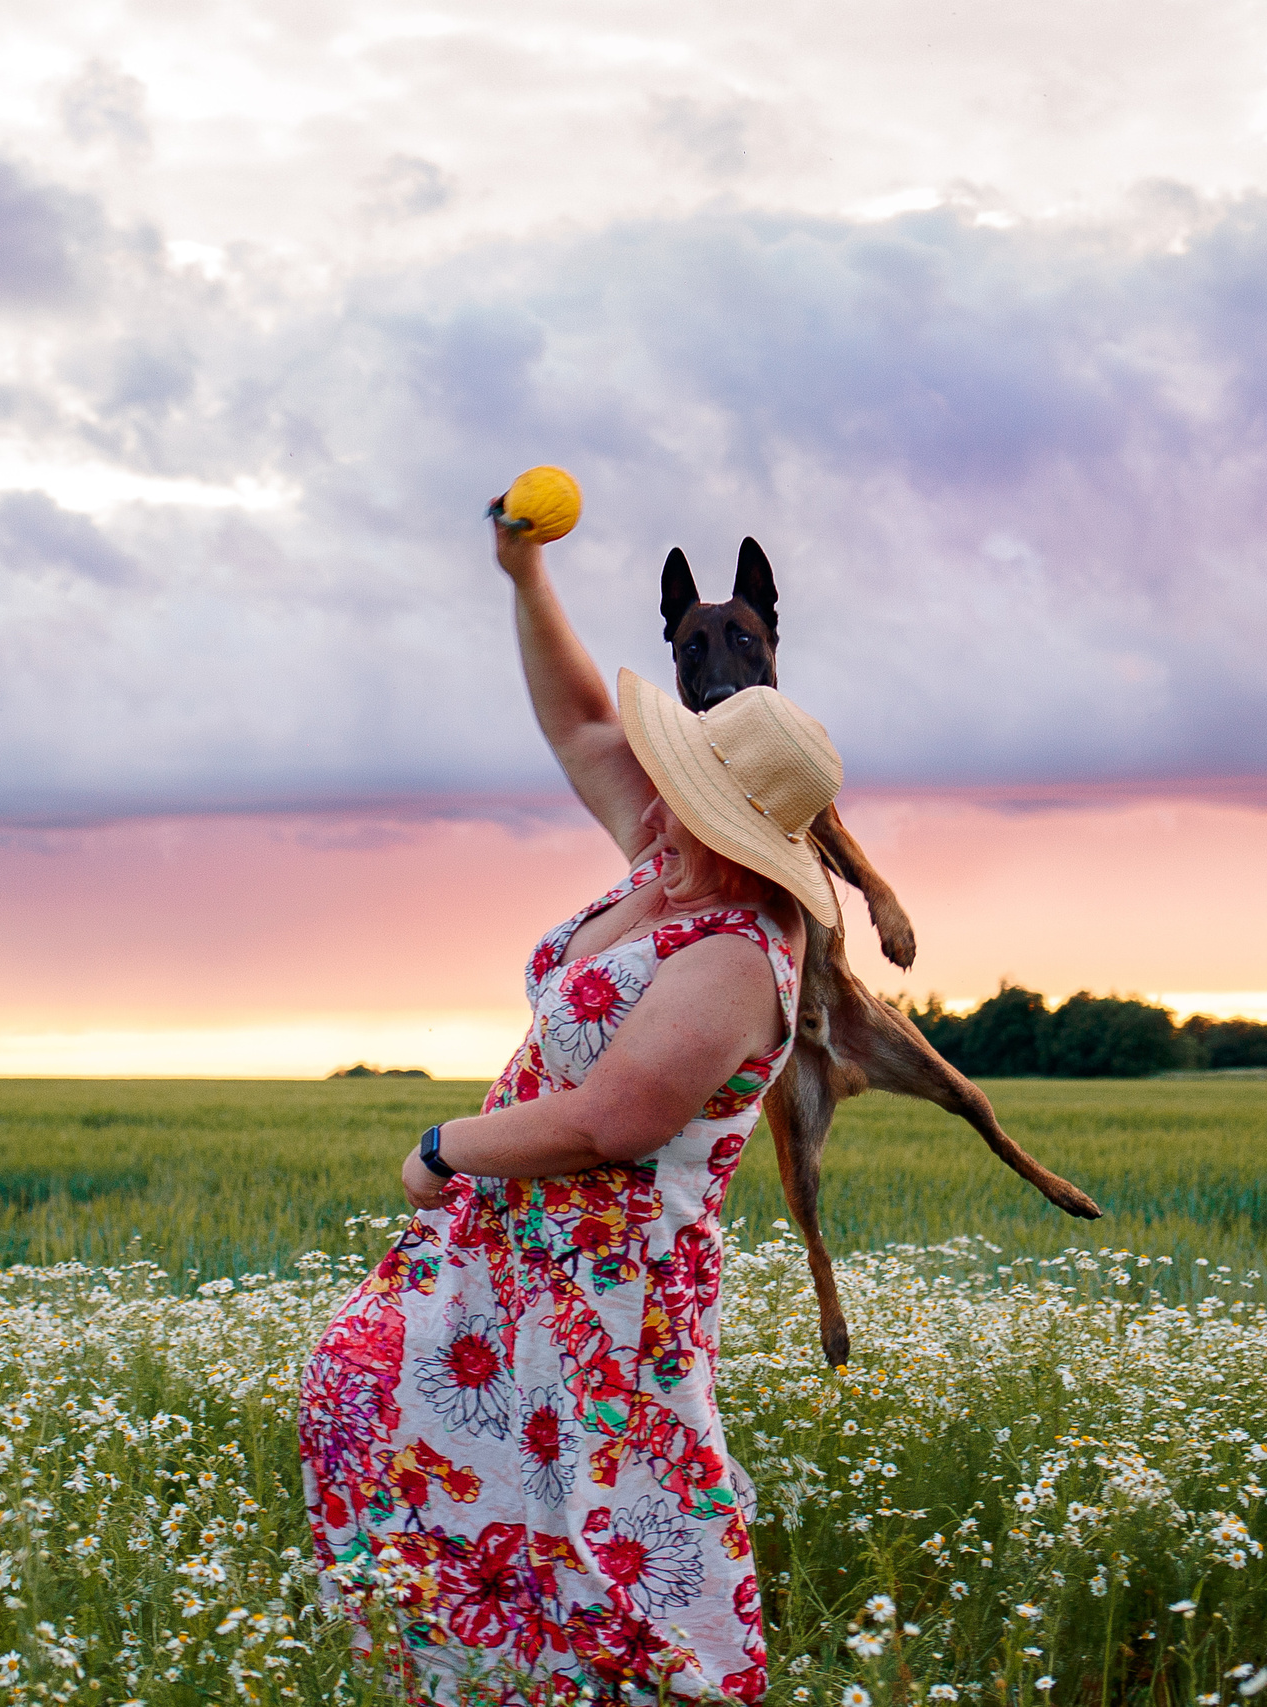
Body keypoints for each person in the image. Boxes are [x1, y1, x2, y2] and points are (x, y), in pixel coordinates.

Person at [297, 510, 847, 1704]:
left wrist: (442, 1148)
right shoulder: (662, 857)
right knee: (384, 1407)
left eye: (689, 774)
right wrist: (523, 570)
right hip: (506, 1247)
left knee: (615, 1525)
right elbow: (580, 719)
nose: (657, 775)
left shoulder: (739, 947)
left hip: (610, 1282)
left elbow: (615, 1121)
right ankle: (458, 1682)